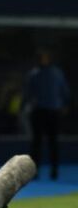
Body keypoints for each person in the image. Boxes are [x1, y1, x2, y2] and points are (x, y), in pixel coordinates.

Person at [23, 50, 69, 180]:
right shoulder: (36, 74)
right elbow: (28, 93)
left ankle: (52, 170)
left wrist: (65, 104)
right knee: (39, 143)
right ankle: (37, 171)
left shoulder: (52, 73)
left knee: (49, 142)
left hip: (49, 111)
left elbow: (64, 90)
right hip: (42, 111)